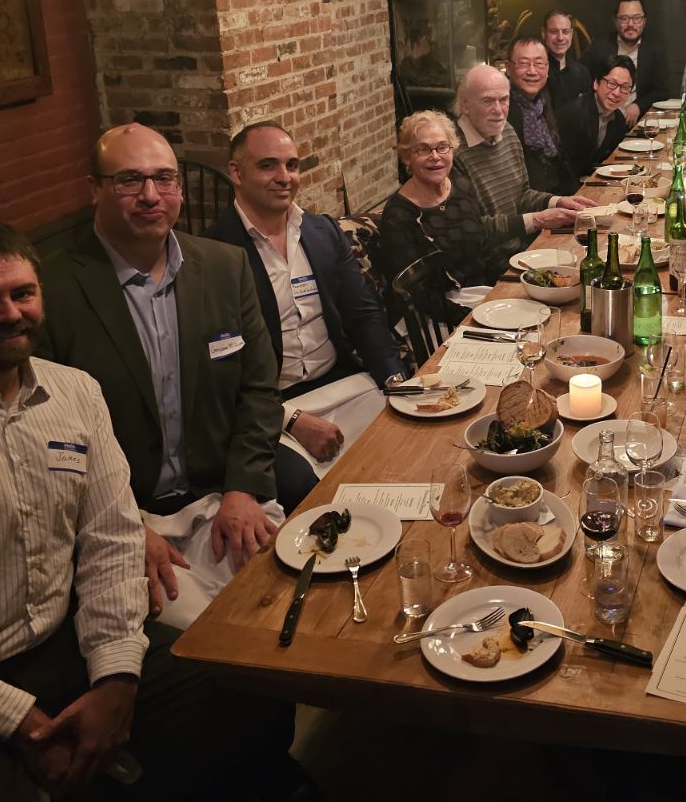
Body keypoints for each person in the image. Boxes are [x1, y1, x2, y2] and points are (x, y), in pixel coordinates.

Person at [0, 223, 300, 800]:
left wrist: (116, 677)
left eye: (22, 293)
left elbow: (112, 542)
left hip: (56, 645)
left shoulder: (76, 393)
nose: (9, 313)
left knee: (251, 691)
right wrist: (23, 724)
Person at [39, 123, 284, 630]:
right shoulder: (51, 290)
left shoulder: (224, 266)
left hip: (220, 494)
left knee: (281, 606)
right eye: (130, 180)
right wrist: (122, 526)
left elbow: (259, 388)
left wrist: (242, 488)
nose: (151, 195)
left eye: (164, 178)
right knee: (209, 637)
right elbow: (48, 440)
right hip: (126, 514)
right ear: (94, 189)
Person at [206, 122, 408, 514]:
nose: (285, 177)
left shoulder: (321, 230)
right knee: (305, 489)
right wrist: (291, 419)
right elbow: (221, 369)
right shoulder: (214, 252)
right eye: (268, 165)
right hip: (272, 406)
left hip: (340, 381)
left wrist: (395, 379)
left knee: (403, 444)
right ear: (236, 172)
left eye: (292, 165)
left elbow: (364, 314)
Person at [451, 64, 591, 258]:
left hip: (520, 251)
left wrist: (558, 202)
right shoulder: (450, 151)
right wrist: (537, 220)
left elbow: (522, 194)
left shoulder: (507, 131)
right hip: (487, 262)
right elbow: (472, 229)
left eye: (503, 99)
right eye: (488, 101)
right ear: (465, 105)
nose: (498, 110)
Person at [379, 110, 512, 291]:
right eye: (423, 149)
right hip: (445, 305)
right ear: (407, 157)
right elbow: (415, 290)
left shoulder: (462, 186)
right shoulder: (398, 214)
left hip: (487, 295)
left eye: (442, 147)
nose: (435, 157)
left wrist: (510, 285)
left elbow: (487, 250)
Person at [504, 35, 578, 196]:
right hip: (529, 201)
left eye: (539, 64)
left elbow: (559, 159)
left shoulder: (543, 100)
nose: (532, 71)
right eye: (524, 63)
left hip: (557, 197)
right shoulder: (503, 109)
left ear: (547, 68)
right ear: (508, 68)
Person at [585, 0, 666, 120]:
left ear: (644, 20)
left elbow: (661, 91)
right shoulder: (599, 47)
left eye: (637, 18)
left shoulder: (655, 50)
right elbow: (583, 81)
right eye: (624, 18)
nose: (630, 24)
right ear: (616, 21)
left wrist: (638, 105)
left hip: (636, 121)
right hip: (601, 119)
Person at [559, 54, 635, 176]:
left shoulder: (618, 120)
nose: (617, 93)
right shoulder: (574, 115)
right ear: (596, 83)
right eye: (612, 83)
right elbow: (562, 167)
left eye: (625, 87)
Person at [542, 10, 591, 106]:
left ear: (571, 34)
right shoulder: (535, 71)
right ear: (543, 33)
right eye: (554, 31)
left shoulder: (582, 72)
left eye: (565, 31)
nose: (560, 37)